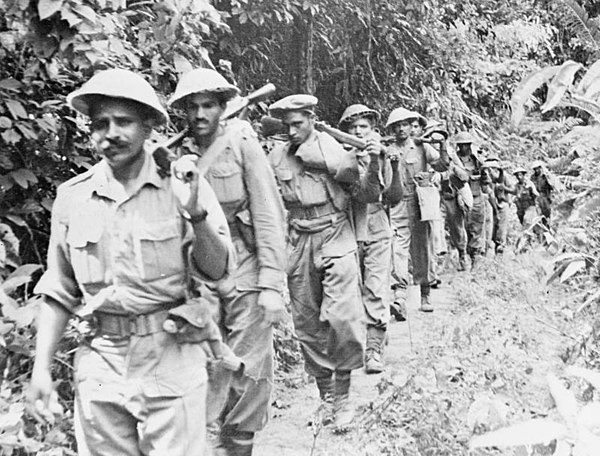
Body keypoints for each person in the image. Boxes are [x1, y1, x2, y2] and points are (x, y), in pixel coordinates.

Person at [26, 69, 233, 456]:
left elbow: (218, 270)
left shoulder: (182, 185)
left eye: (124, 122)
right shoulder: (73, 198)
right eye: (101, 123)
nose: (112, 133)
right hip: (101, 362)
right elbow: (57, 291)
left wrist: (197, 215)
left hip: (170, 353)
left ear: (148, 125)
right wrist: (41, 369)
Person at [168, 68, 287, 456]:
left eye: (208, 106)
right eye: (192, 107)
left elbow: (268, 215)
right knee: (202, 362)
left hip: (245, 265)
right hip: (195, 272)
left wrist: (272, 284)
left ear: (223, 108)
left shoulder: (242, 144)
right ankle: (210, 437)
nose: (200, 114)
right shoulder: (173, 156)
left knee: (248, 364)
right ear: (183, 112)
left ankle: (238, 444)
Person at [268, 94, 365, 431]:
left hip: (335, 233)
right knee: (307, 324)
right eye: (287, 125)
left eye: (299, 123)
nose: (293, 130)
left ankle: (343, 399)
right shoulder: (277, 155)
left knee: (342, 316)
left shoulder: (332, 146)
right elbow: (268, 199)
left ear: (312, 118)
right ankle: (326, 397)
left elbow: (359, 183)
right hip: (298, 239)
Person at [338, 104, 395, 374]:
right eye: (354, 127)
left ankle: (373, 348)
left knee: (375, 286)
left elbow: (391, 194)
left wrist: (381, 158)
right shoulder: (341, 156)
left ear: (374, 130)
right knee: (352, 289)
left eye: (364, 127)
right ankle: (364, 340)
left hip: (377, 225)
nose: (359, 131)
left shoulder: (384, 155)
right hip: (349, 224)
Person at [387, 108, 448, 313]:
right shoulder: (389, 149)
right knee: (398, 248)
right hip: (397, 203)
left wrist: (443, 144)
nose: (401, 129)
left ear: (411, 126)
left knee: (423, 248)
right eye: (396, 126)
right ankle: (400, 296)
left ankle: (425, 293)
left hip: (420, 202)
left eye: (404, 124)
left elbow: (441, 165)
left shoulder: (422, 147)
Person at [452, 132, 486, 268]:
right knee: (460, 228)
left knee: (476, 226)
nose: (464, 147)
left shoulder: (477, 160)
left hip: (476, 196)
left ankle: (475, 256)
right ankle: (462, 254)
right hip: (459, 198)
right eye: (462, 145)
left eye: (467, 144)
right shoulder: (454, 160)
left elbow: (486, 180)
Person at [482, 157, 515, 254]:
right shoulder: (484, 177)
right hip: (489, 205)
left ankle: (499, 251)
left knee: (501, 230)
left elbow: (513, 190)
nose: (492, 170)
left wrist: (503, 188)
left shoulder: (504, 176)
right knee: (489, 230)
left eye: (494, 168)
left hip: (502, 205)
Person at [531, 160, 554, 227]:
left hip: (545, 197)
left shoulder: (545, 176)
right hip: (537, 198)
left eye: (537, 169)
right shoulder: (532, 177)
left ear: (540, 168)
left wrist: (548, 177)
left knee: (547, 214)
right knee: (538, 215)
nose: (536, 170)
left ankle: (548, 227)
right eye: (534, 169)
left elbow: (552, 186)